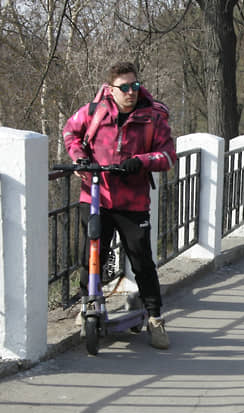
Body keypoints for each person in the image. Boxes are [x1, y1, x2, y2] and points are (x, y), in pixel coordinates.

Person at [63, 61, 177, 349]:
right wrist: (79, 158)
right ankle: (88, 305)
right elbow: (70, 133)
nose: (131, 92)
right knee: (93, 256)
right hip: (95, 197)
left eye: (135, 86)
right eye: (124, 87)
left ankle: (154, 318)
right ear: (110, 89)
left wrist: (140, 161)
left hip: (133, 202)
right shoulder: (93, 112)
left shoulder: (152, 118)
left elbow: (167, 157)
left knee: (141, 261)